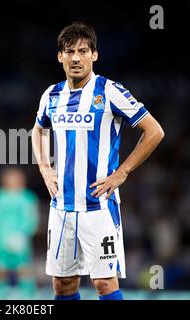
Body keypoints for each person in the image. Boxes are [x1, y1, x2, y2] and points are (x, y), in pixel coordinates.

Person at [31, 22, 164, 300]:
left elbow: (154, 130)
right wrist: (44, 167)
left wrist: (123, 172)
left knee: (104, 283)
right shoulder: (52, 95)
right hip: (62, 208)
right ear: (60, 57)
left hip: (99, 207)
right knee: (63, 285)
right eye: (69, 52)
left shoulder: (110, 91)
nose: (76, 58)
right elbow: (38, 129)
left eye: (83, 51)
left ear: (94, 55)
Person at [0, 167, 39, 298]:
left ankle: (28, 295)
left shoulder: (27, 197)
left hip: (18, 242)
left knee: (23, 268)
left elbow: (31, 219)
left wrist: (22, 235)